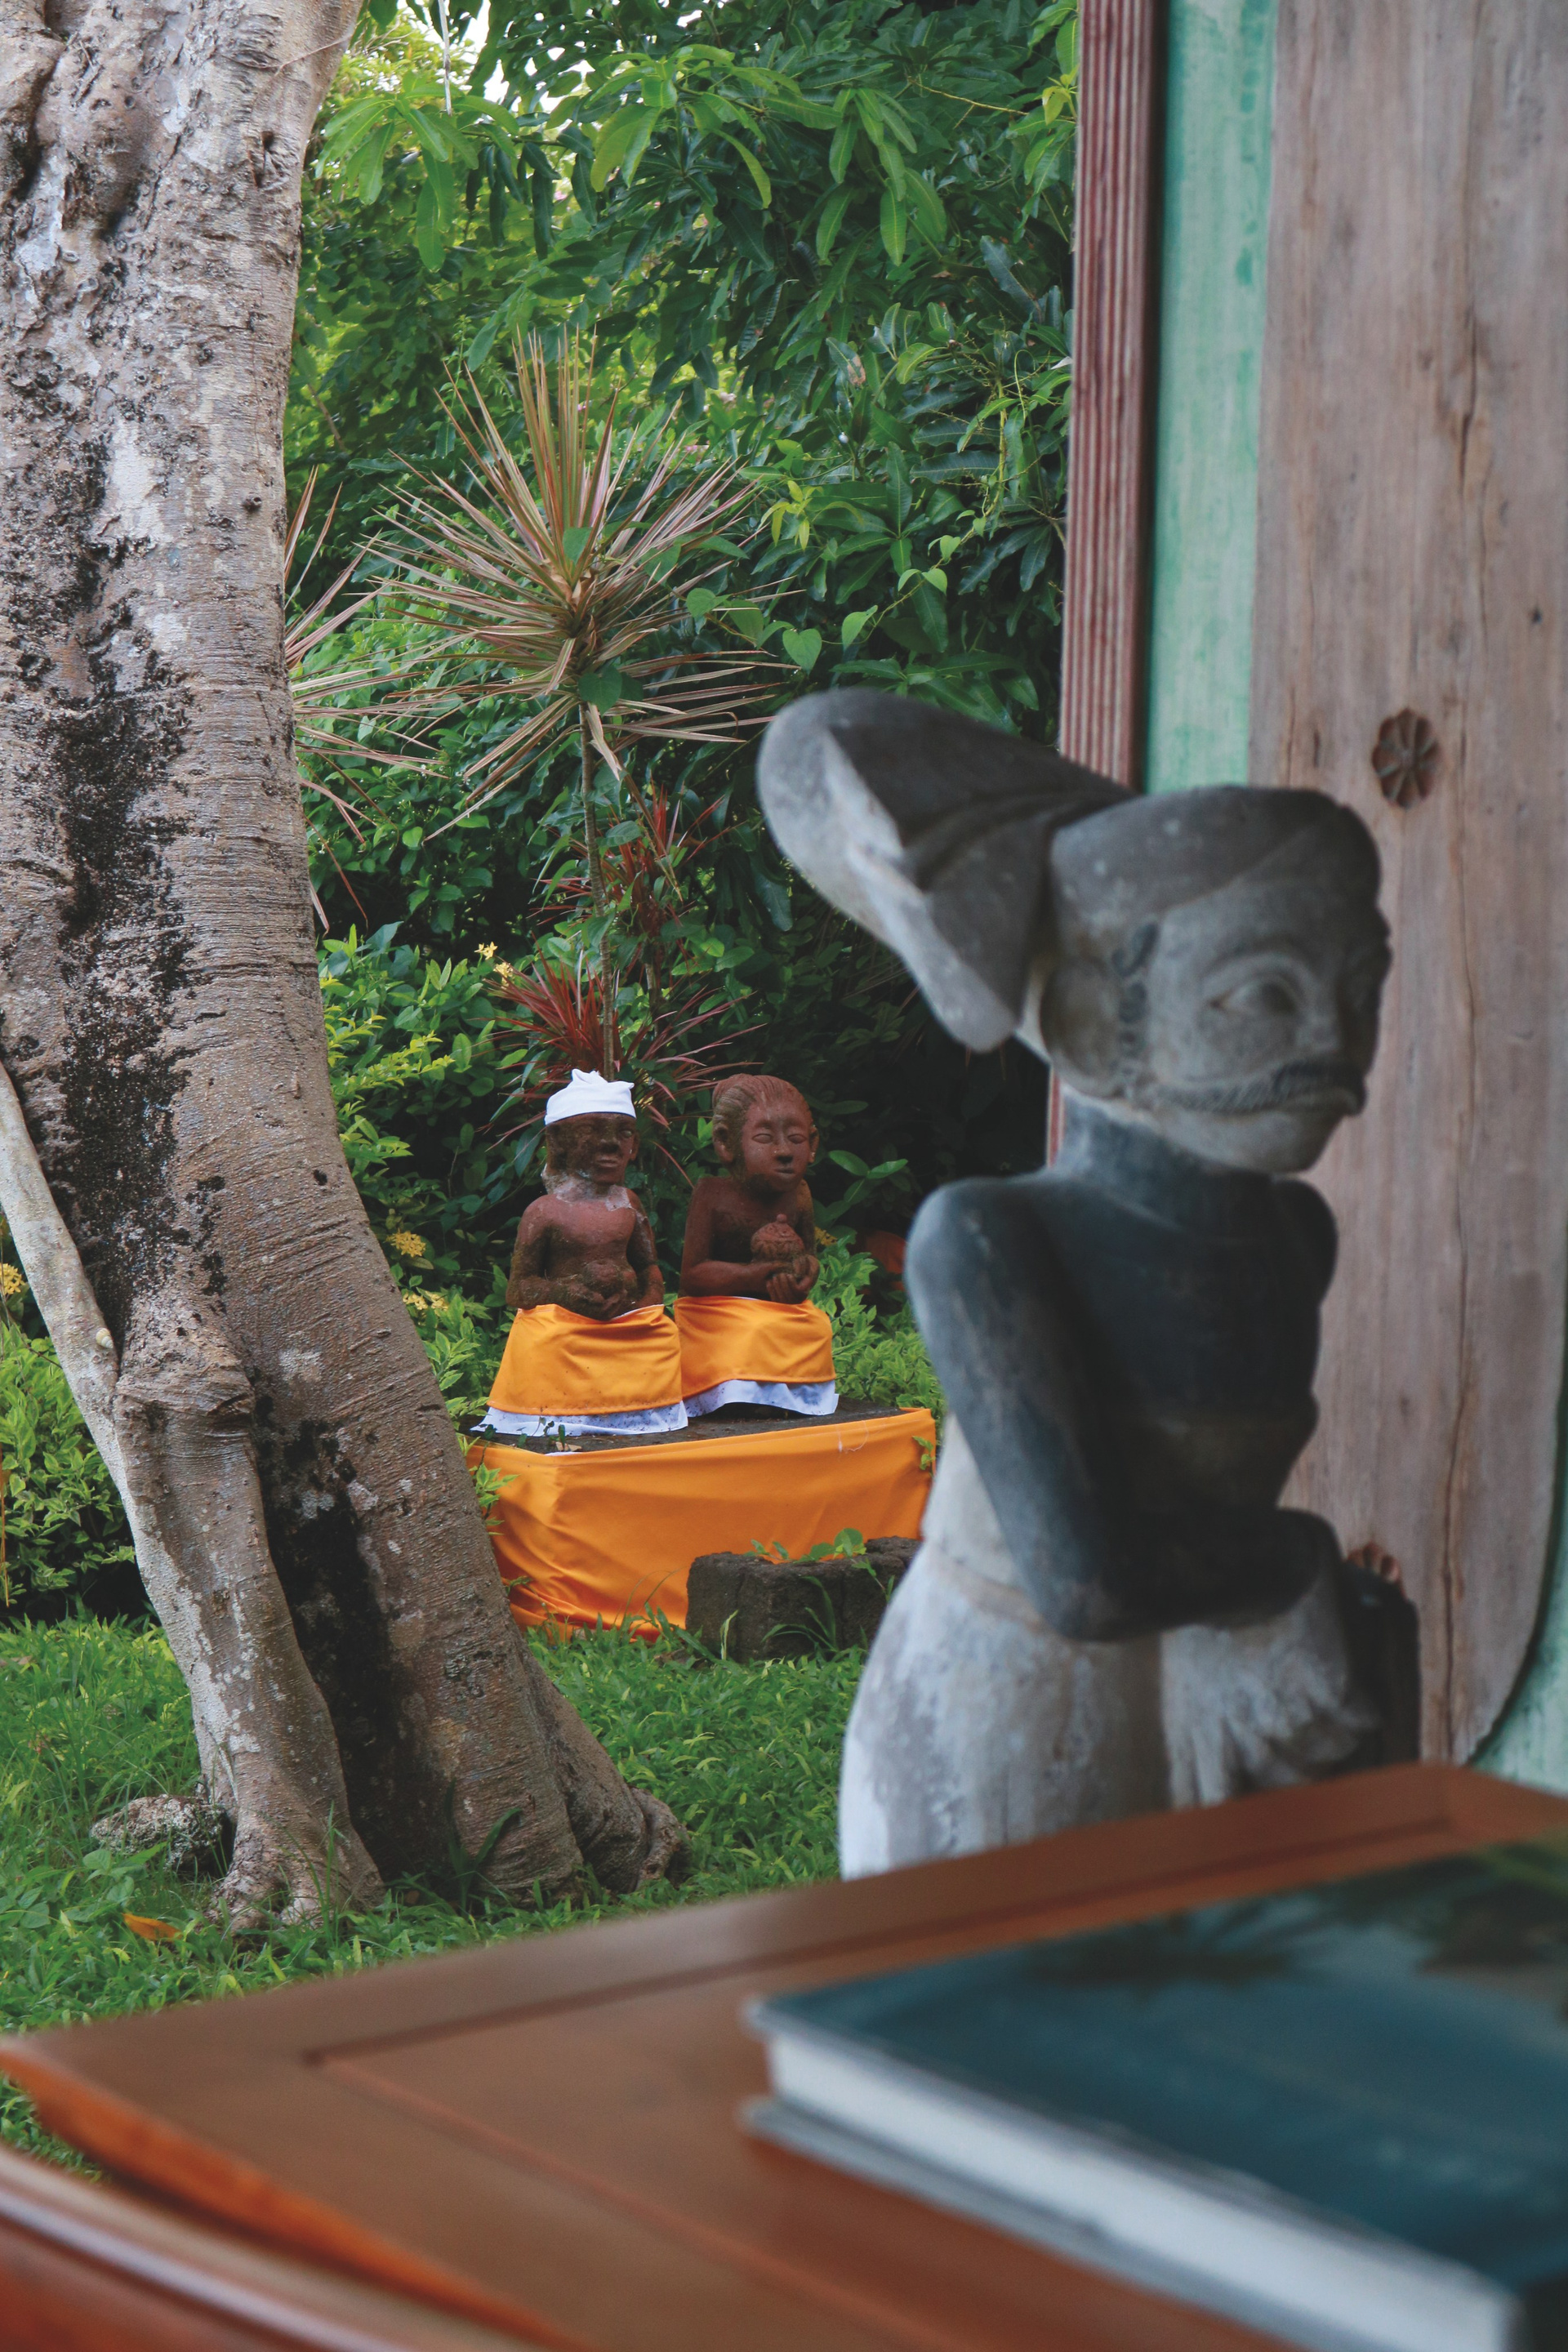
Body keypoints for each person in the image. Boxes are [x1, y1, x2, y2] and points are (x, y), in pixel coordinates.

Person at [479, 1070, 685, 1440]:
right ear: (557, 1140)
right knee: (543, 1339)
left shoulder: (628, 1203)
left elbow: (648, 1267)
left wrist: (644, 1305)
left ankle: (640, 1405)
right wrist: (566, 1294)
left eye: (623, 1133)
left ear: (635, 1144)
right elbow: (519, 1289)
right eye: (593, 1130)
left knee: (663, 1335)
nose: (611, 1144)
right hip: (567, 1334)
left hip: (627, 1326)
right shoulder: (545, 1212)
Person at [674, 1076, 838, 1418]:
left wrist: (804, 1274)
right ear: (726, 1143)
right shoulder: (712, 1195)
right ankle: (736, 1395)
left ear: (812, 1144)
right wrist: (753, 1276)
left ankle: (793, 1395)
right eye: (764, 1138)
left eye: (795, 1139)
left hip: (776, 1309)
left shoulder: (800, 1195)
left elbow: (808, 1255)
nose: (784, 1152)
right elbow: (692, 1275)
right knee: (750, 1331)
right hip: (718, 1312)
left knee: (817, 1327)